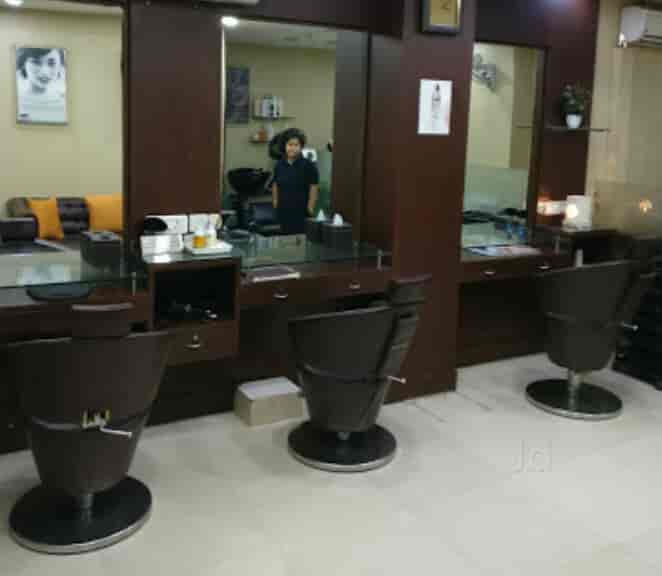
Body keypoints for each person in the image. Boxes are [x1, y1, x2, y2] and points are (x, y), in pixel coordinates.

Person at [272, 128, 320, 235]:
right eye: (290, 144)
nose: (292, 148)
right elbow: (275, 185)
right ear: (284, 146)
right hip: (284, 211)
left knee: (301, 240)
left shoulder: (309, 165)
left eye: (296, 145)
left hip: (302, 211)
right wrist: (275, 203)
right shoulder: (279, 165)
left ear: (301, 147)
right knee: (285, 239)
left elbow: (314, 188)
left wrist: (310, 207)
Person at [16, 47, 67, 124]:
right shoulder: (16, 101)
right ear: (23, 64)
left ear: (60, 66)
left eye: (52, 63)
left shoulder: (65, 101)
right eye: (36, 62)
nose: (44, 72)